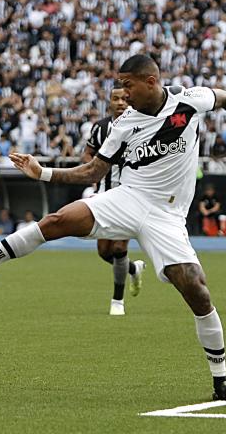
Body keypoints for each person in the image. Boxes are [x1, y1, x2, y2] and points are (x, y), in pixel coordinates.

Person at [0, 54, 226, 403]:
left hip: (167, 215)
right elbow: (92, 172)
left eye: (128, 84)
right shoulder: (125, 124)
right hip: (129, 196)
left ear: (150, 81)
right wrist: (43, 173)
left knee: (197, 289)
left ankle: (220, 384)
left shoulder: (190, 100)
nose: (123, 93)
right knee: (58, 220)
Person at [82, 84, 146, 316]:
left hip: (131, 195)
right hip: (104, 195)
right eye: (116, 99)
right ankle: (132, 269)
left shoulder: (142, 125)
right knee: (104, 252)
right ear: (109, 102)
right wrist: (92, 168)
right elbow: (87, 153)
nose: (120, 103)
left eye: (124, 99)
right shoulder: (100, 128)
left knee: (119, 247)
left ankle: (117, 301)